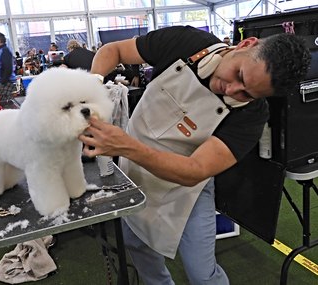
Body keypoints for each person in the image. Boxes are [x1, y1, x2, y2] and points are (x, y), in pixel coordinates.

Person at [78, 26, 311, 285]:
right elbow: (115, 50)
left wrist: (124, 146)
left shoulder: (251, 117)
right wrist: (92, 89)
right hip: (134, 172)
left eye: (246, 93)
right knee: (139, 248)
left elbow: (194, 171)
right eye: (238, 74)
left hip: (186, 189)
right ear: (246, 45)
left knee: (202, 274)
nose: (231, 90)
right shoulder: (185, 42)